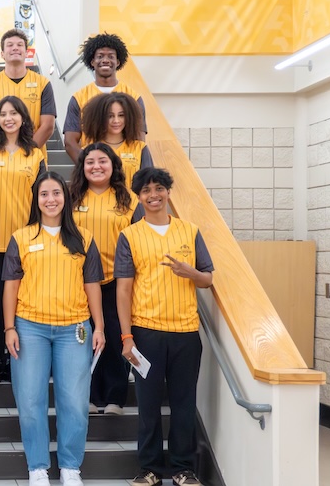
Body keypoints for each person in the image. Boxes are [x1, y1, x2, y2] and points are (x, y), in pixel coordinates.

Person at [3, 171, 105, 486]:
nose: (51, 200)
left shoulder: (84, 238)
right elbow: (10, 286)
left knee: (74, 401)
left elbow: (93, 285)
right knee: (31, 400)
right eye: (44, 194)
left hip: (74, 329)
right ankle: (37, 468)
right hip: (29, 327)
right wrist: (9, 327)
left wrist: (98, 326)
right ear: (36, 200)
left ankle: (70, 467)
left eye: (56, 193)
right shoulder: (22, 237)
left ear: (66, 197)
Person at [115, 167, 214, 486]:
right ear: (139, 196)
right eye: (146, 191)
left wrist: (192, 273)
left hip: (186, 333)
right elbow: (124, 290)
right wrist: (127, 337)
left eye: (159, 189)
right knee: (148, 406)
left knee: (184, 404)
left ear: (168, 192)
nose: (153, 195)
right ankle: (150, 469)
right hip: (145, 334)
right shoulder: (130, 236)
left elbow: (208, 278)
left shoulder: (190, 231)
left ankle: (184, 469)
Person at [0, 96, 46, 383]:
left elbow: (41, 198)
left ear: (24, 118)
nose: (9, 118)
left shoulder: (35, 154)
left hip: (23, 242)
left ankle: (18, 361)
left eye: (14, 113)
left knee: (20, 304)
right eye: (3, 114)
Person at [69, 143, 143, 415]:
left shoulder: (129, 201)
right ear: (82, 167)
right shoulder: (71, 198)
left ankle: (114, 398)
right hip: (77, 282)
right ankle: (87, 395)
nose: (96, 166)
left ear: (113, 166)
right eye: (90, 162)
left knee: (115, 337)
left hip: (117, 282)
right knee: (82, 340)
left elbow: (140, 240)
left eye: (103, 161)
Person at [63, 32, 147, 161]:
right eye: (100, 56)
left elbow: (139, 139)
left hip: (127, 168)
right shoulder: (78, 98)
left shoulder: (133, 97)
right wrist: (87, 165)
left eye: (111, 56)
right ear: (92, 62)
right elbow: (70, 142)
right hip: (94, 171)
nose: (105, 60)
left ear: (118, 62)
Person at [0, 29, 56, 153]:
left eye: (20, 45)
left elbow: (47, 126)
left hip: (33, 156)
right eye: (10, 45)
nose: (15, 48)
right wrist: (4, 152)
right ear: (2, 54)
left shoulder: (43, 83)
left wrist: (26, 152)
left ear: (26, 53)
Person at [80, 92, 153, 188]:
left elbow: (149, 183)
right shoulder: (88, 151)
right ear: (99, 118)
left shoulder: (140, 148)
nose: (116, 121)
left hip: (133, 203)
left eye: (121, 115)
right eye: (110, 116)